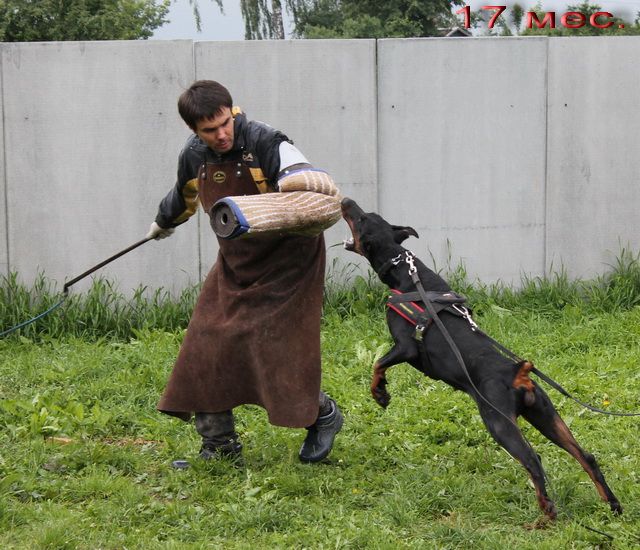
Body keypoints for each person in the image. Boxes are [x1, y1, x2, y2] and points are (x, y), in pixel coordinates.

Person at [147, 80, 343, 464]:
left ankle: (323, 414)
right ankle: (218, 445)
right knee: (205, 344)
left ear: (232, 111)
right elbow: (184, 195)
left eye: (225, 123)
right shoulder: (194, 155)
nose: (221, 135)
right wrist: (163, 222)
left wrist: (295, 191)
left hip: (289, 259)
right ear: (193, 130)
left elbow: (310, 188)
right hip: (237, 261)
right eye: (209, 130)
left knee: (274, 347)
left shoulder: (268, 142)